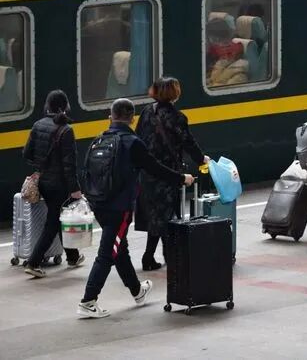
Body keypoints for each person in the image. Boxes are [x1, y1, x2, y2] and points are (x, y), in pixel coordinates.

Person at [78, 98, 194, 318]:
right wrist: (181, 178)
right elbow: (155, 168)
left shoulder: (99, 139)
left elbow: (86, 172)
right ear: (132, 119)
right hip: (119, 208)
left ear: (110, 116)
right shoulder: (132, 143)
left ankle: (137, 291)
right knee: (108, 253)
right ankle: (88, 300)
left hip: (98, 203)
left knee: (120, 248)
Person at [136, 77, 209, 271]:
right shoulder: (177, 118)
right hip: (168, 173)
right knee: (168, 217)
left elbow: (138, 138)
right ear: (175, 93)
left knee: (157, 216)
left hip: (147, 172)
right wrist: (202, 159)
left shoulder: (146, 112)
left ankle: (149, 257)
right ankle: (170, 258)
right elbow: (188, 143)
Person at [22, 90, 85, 278]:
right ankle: (33, 262)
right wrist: (75, 189)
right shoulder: (66, 129)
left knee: (58, 218)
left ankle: (73, 256)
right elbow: (69, 164)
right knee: (53, 223)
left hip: (43, 182)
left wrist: (42, 166)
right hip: (59, 185)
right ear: (64, 106)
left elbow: (27, 154)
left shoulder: (38, 124)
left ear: (48, 105)